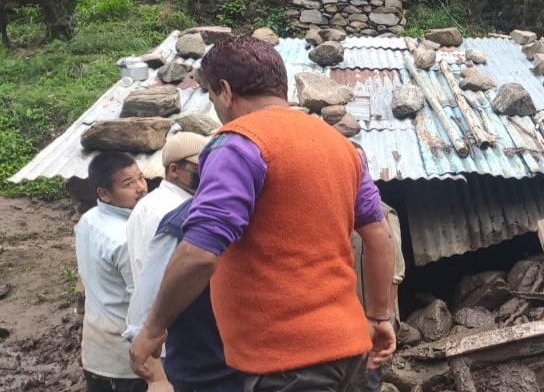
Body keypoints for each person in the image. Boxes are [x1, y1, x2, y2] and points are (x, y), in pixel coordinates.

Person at [129, 36, 397, 391]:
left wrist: (153, 329)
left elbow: (199, 255)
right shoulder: (341, 147)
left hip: (289, 366)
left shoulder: (237, 143)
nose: (217, 108)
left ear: (224, 91)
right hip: (352, 355)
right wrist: (379, 316)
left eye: (211, 97)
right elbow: (380, 237)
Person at [124, 199, 242, 392]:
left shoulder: (260, 212)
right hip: (204, 375)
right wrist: (157, 379)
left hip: (251, 370)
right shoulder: (180, 224)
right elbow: (142, 309)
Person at [76, 152, 148, 392]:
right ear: (103, 193)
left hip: (95, 352)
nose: (141, 188)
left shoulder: (87, 220)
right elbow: (142, 304)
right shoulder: (126, 238)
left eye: (141, 178)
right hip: (128, 363)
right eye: (128, 184)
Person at [350, 143, 406, 392]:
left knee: (366, 382)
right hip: (343, 322)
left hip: (372, 321)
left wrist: (382, 316)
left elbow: (395, 274)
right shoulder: (337, 213)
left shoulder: (383, 214)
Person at [126, 132, 206, 279]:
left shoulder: (180, 202)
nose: (208, 172)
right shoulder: (163, 211)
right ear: (174, 170)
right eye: (199, 168)